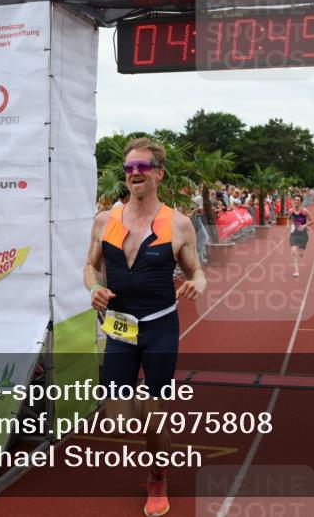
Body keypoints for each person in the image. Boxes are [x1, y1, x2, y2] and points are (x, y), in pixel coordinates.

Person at [84, 137, 205, 517]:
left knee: (153, 414)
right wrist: (95, 288)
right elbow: (90, 267)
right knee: (117, 415)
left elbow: (196, 272)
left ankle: (158, 475)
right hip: (120, 328)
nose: (134, 173)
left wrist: (197, 284)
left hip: (159, 327)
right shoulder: (107, 220)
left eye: (142, 167)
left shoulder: (178, 224)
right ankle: (156, 426)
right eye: (129, 168)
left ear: (158, 174)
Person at [287, 194, 313, 278]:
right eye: (295, 200)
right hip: (294, 234)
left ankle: (302, 250)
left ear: (301, 202)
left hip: (303, 234)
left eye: (298, 200)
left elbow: (312, 221)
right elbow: (288, 218)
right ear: (293, 201)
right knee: (294, 252)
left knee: (301, 254)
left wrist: (304, 226)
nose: (296, 201)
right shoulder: (290, 211)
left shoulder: (305, 211)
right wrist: (288, 225)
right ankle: (296, 270)